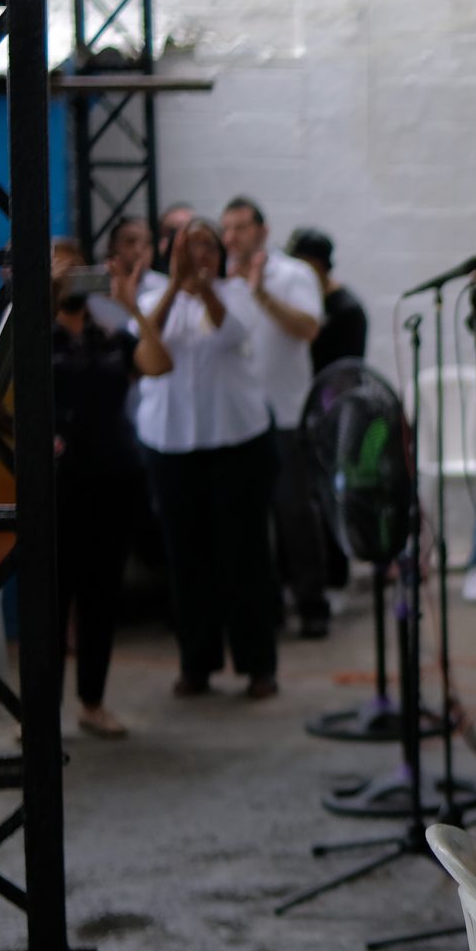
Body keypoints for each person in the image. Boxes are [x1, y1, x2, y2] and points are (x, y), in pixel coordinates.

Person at [131, 216, 284, 698]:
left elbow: (230, 329)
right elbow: (145, 339)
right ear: (172, 253)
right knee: (186, 558)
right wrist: (177, 287)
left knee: (244, 556)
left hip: (237, 442)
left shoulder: (236, 292)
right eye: (189, 246)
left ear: (220, 255)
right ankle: (196, 664)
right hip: (173, 445)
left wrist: (204, 289)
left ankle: (258, 665)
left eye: (208, 246)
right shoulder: (156, 298)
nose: (200, 254)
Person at [222, 197, 330, 640]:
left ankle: (311, 604)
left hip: (285, 413)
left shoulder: (293, 274)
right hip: (236, 418)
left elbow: (308, 328)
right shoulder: (221, 281)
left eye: (241, 228)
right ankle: (264, 610)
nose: (231, 237)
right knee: (247, 521)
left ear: (263, 232)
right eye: (226, 229)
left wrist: (260, 292)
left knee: (293, 514)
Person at [52, 236, 141, 739]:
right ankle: (38, 712)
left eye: (77, 270)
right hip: (58, 485)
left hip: (113, 478)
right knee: (52, 600)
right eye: (61, 272)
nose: (72, 279)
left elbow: (159, 361)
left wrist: (131, 307)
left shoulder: (111, 336)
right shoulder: (33, 333)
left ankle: (93, 701)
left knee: (101, 599)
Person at [286, 228, 368, 373]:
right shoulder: (300, 299)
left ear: (317, 265)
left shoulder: (347, 311)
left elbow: (347, 370)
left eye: (298, 263)